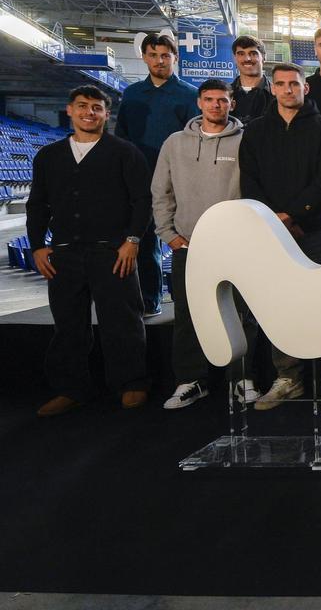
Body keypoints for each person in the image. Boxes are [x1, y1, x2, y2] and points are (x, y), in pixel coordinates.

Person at [28, 86, 151, 417]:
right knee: (68, 325)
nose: (89, 112)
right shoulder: (49, 156)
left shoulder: (125, 152)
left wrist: (133, 241)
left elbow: (142, 201)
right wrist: (38, 245)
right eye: (82, 106)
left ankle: (131, 383)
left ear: (106, 114)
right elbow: (37, 204)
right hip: (65, 253)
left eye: (96, 108)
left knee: (122, 323)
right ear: (69, 110)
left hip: (112, 251)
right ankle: (71, 389)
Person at [239, 63, 321, 409]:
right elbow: (249, 181)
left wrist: (295, 215)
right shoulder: (254, 131)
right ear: (272, 88)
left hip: (316, 230)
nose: (287, 90)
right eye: (281, 84)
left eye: (294, 84)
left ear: (305, 88)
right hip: (271, 232)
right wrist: (275, 219)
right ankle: (288, 378)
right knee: (279, 304)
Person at [153, 79, 260, 409]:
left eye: (222, 100)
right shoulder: (175, 143)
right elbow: (161, 191)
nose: (216, 105)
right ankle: (190, 381)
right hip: (189, 246)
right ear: (199, 103)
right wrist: (168, 234)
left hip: (235, 246)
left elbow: (256, 188)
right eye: (209, 99)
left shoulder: (246, 141)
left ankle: (240, 379)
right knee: (188, 315)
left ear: (232, 104)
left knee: (243, 314)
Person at [115, 32, 196, 316]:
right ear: (144, 57)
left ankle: (191, 302)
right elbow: (121, 137)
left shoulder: (190, 94)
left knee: (184, 241)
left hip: (179, 181)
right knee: (146, 241)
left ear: (175, 57)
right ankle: (151, 299)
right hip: (142, 179)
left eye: (165, 55)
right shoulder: (133, 94)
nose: (159, 61)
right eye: (153, 55)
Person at [229, 34, 272, 122]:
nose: (247, 59)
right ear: (235, 58)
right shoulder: (225, 95)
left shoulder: (277, 95)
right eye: (241, 54)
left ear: (264, 57)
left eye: (253, 53)